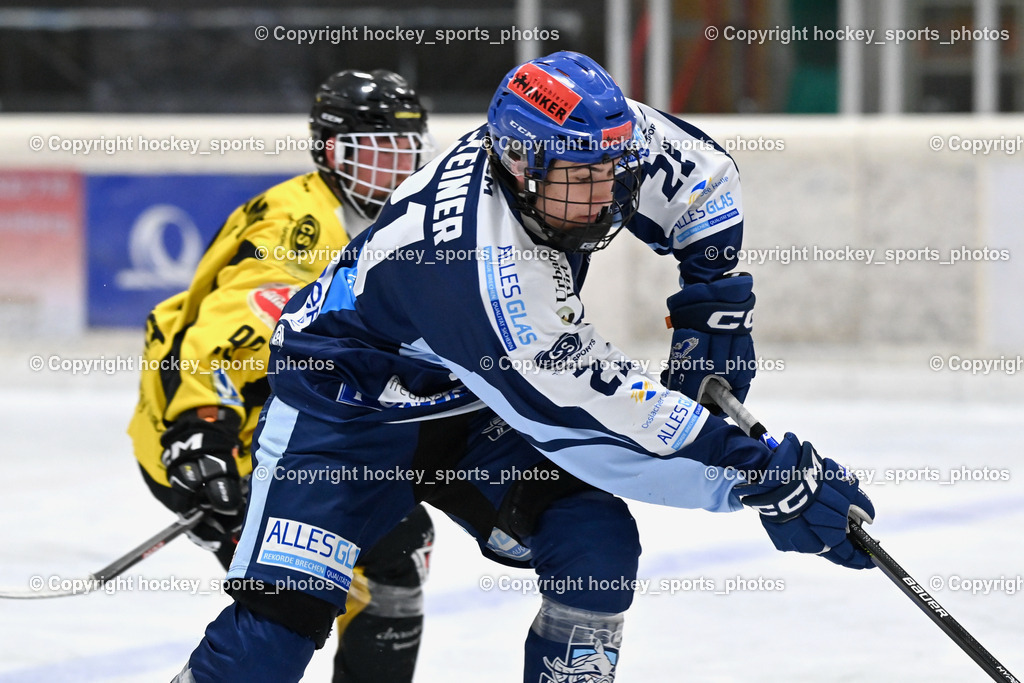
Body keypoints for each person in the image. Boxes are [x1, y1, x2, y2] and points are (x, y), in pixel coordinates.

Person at [173, 51, 876, 683]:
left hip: (472, 404)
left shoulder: (593, 136)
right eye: (579, 181)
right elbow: (603, 423)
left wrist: (711, 305)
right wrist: (765, 477)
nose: (604, 199)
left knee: (595, 552)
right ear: (518, 163)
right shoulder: (482, 271)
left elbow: (704, 181)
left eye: (612, 175)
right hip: (346, 410)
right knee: (277, 628)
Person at [128, 69, 436, 683]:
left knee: (396, 551)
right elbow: (225, 335)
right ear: (328, 152)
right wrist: (202, 429)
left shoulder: (410, 223)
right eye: (373, 150)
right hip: (214, 445)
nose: (393, 168)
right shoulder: (298, 229)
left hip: (305, 436)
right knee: (299, 595)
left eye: (404, 149)